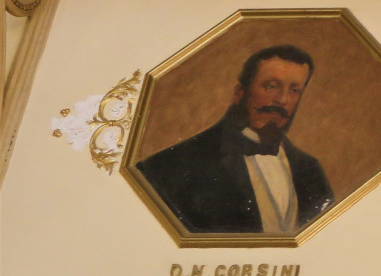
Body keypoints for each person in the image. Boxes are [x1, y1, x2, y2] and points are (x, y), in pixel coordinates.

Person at [136, 45, 334, 234]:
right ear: (240, 93)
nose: (282, 100)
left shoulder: (310, 169)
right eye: (271, 86)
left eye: (294, 90)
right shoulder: (171, 167)